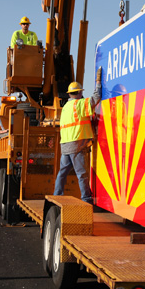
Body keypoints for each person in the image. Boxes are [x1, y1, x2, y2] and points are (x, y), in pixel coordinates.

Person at [53, 68, 102, 203]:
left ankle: (57, 194)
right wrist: (98, 82)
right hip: (76, 144)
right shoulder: (79, 104)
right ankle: (86, 198)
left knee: (62, 172)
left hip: (65, 144)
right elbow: (96, 98)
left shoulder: (66, 107)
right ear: (80, 93)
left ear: (69, 94)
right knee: (81, 174)